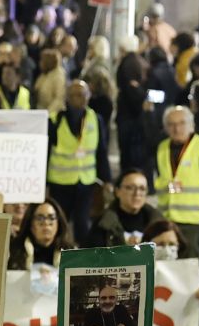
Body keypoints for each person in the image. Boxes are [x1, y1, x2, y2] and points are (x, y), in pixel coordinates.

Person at [154, 107, 199, 265]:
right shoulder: (161, 148)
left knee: (192, 271)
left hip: (195, 224)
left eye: (181, 123)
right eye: (171, 124)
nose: (176, 128)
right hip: (167, 221)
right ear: (165, 127)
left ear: (191, 125)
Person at [46, 79, 107, 240]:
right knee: (60, 221)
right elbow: (46, 152)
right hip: (60, 182)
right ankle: (59, 251)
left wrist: (107, 179)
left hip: (85, 181)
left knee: (82, 222)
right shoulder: (55, 120)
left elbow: (101, 150)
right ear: (67, 97)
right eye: (74, 95)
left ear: (89, 96)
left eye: (82, 94)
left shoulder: (96, 119)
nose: (78, 98)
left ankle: (83, 255)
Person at [91, 171, 162, 247]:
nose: (137, 193)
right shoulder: (103, 223)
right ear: (117, 191)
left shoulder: (159, 222)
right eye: (130, 188)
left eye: (142, 188)